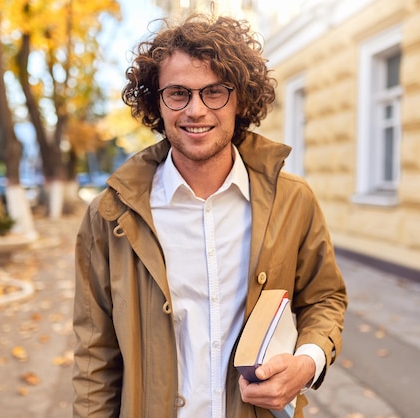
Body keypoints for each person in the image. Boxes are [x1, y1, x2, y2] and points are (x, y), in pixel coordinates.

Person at [72, 14, 347, 418]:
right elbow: (95, 356)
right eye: (178, 93)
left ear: (241, 100)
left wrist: (307, 362)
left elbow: (325, 298)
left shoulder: (293, 200)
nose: (196, 110)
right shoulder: (111, 215)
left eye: (214, 92)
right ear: (156, 103)